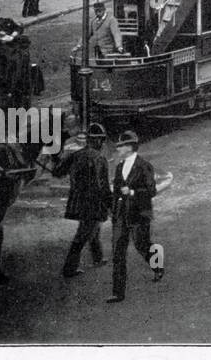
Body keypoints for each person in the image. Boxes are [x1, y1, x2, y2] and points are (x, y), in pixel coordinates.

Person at [108, 130, 161, 302]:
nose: (118, 149)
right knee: (118, 252)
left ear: (130, 147)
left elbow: (151, 191)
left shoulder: (144, 166)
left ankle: (158, 265)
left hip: (139, 213)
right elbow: (116, 191)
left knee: (141, 245)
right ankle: (118, 292)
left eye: (121, 146)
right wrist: (113, 209)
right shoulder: (119, 167)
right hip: (121, 215)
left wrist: (131, 191)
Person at [54, 122, 112, 278]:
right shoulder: (100, 159)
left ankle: (98, 258)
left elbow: (57, 172)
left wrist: (56, 158)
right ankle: (69, 269)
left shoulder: (76, 155)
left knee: (92, 229)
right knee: (84, 234)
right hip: (93, 202)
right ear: (97, 140)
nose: (102, 143)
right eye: (101, 140)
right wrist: (111, 206)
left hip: (78, 202)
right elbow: (104, 187)